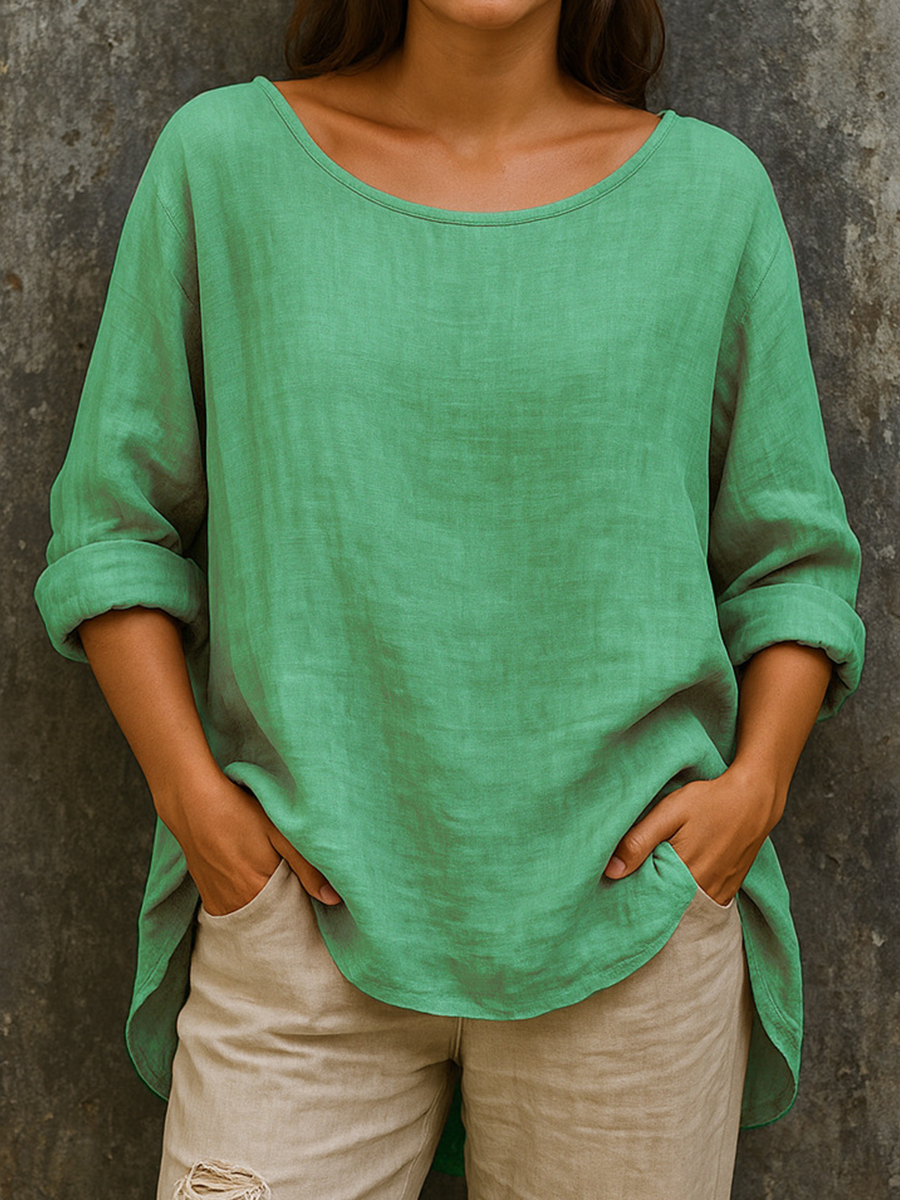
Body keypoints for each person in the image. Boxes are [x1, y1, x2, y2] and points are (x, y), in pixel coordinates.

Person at [33, 1, 866, 1197]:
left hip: (628, 930)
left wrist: (756, 789)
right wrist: (193, 801)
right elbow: (115, 523)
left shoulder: (711, 198)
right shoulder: (225, 165)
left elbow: (792, 560)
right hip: (298, 921)